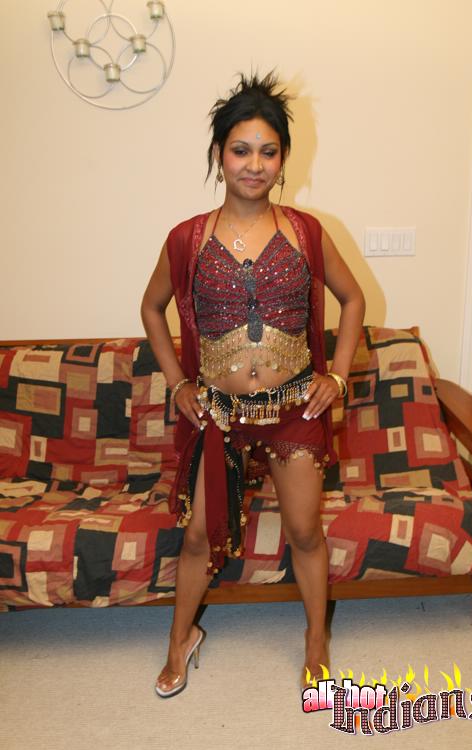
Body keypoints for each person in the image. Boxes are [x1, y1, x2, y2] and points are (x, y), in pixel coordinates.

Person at [141, 72, 365, 698]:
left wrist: (337, 375)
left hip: (294, 410)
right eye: (241, 150)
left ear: (284, 158)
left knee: (305, 531)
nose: (254, 164)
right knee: (196, 536)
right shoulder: (186, 238)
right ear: (219, 154)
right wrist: (178, 382)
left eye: (269, 151)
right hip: (219, 415)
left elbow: (352, 300)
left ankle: (316, 639)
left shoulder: (306, 231)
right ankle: (180, 638)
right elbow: (151, 308)